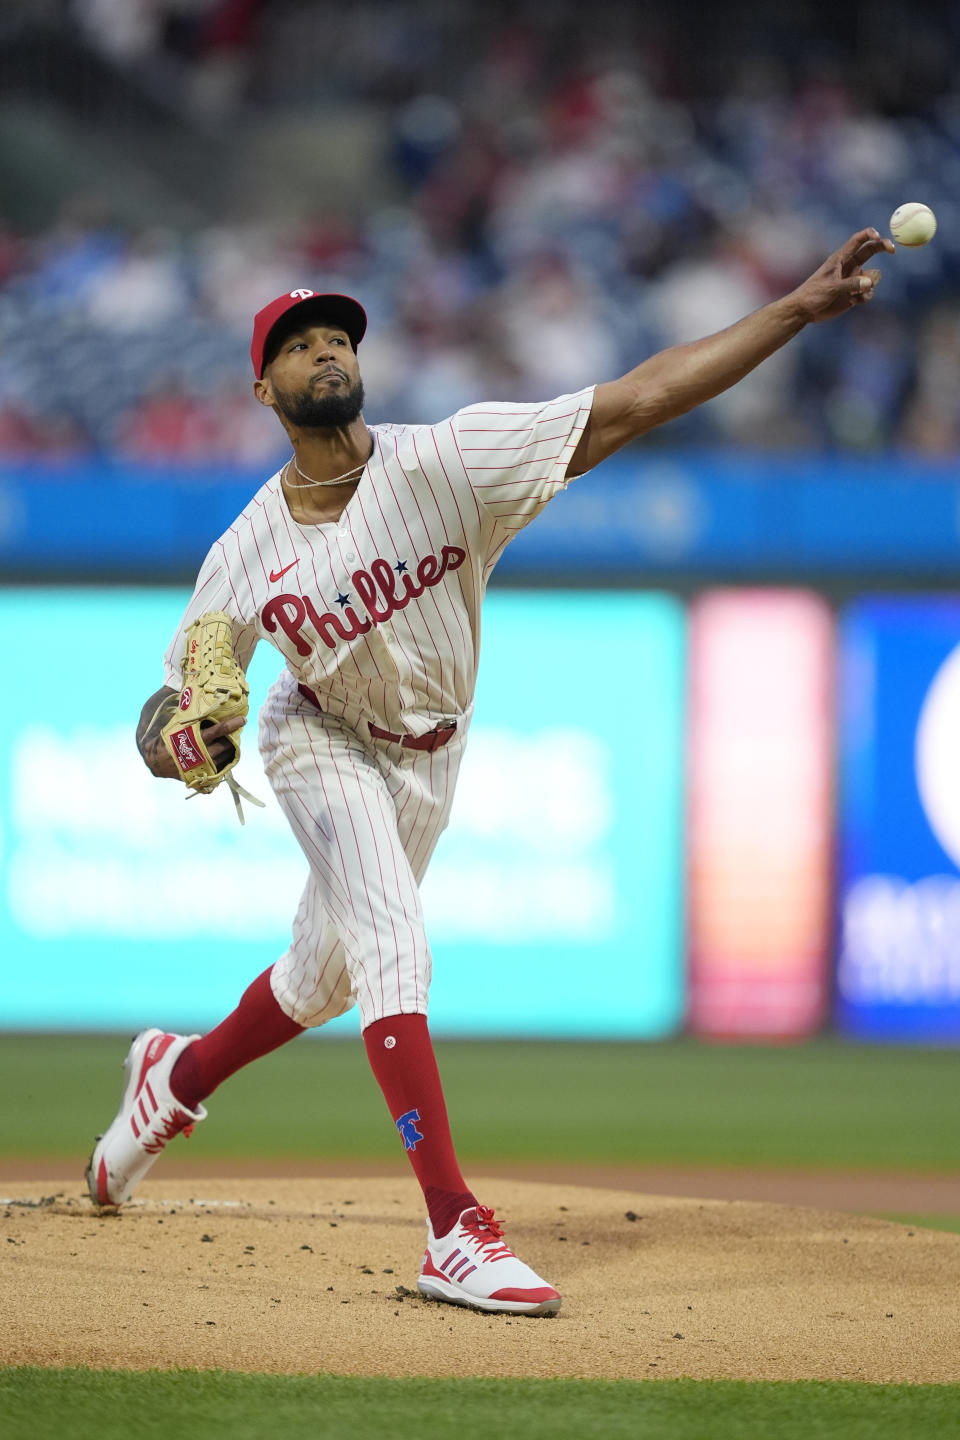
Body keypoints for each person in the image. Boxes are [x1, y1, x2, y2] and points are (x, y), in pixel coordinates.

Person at [86, 229, 892, 1316]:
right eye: (298, 344)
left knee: (321, 980)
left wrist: (792, 310)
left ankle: (171, 1082)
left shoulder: (448, 462)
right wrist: (181, 733)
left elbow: (635, 401)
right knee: (394, 950)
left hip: (432, 749)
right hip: (317, 735)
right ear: (263, 384)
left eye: (337, 336)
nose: (325, 351)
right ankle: (454, 1228)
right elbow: (182, 696)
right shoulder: (242, 550)